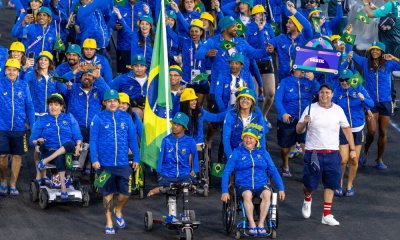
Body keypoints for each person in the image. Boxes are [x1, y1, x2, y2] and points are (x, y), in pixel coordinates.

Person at [195, 15, 272, 150]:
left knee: (240, 124)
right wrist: (207, 54)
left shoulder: (241, 42)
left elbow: (254, 53)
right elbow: (198, 53)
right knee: (218, 122)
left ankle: (236, 150)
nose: (236, 28)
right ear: (225, 28)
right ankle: (209, 139)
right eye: (234, 26)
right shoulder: (213, 42)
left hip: (242, 92)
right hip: (219, 92)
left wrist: (267, 51)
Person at [296, 82, 356, 226]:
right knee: (309, 184)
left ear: (332, 94)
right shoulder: (310, 109)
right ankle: (307, 197)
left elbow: (347, 130)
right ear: (318, 94)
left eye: (327, 92)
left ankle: (326, 215)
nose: (324, 95)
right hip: (313, 152)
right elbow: (298, 130)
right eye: (322, 92)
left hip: (332, 153)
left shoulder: (338, 110)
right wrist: (304, 122)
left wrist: (352, 149)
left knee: (330, 184)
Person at [90, 89, 140, 234]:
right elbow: (92, 140)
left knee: (127, 192)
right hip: (104, 164)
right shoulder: (98, 118)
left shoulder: (126, 117)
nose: (112, 103)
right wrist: (94, 159)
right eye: (109, 101)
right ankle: (109, 222)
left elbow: (132, 138)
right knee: (107, 194)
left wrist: (136, 157)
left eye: (115, 100)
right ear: (105, 102)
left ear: (119, 102)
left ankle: (118, 211)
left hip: (123, 163)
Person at [221, 125, 285, 236]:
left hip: (261, 184)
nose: (248, 140)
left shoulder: (263, 152)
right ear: (242, 139)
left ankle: (260, 224)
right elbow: (226, 172)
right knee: (247, 195)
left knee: (267, 194)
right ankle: (252, 224)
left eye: (251, 138)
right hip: (243, 185)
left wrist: (281, 188)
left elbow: (273, 170)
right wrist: (224, 191)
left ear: (256, 140)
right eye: (246, 137)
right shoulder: (237, 152)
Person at [348, 40, 400, 170]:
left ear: (382, 52)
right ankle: (365, 152)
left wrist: (394, 57)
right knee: (371, 131)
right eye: (372, 49)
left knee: (383, 132)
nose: (374, 52)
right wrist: (347, 37)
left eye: (377, 50)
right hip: (370, 102)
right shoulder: (366, 62)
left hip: (386, 102)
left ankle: (379, 159)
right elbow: (350, 53)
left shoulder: (389, 64)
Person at [332, 69, 374, 196]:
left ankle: (349, 185)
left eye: (347, 80)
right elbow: (331, 108)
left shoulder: (359, 88)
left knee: (354, 159)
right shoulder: (336, 92)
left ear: (352, 79)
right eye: (341, 80)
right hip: (343, 130)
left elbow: (371, 103)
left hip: (358, 129)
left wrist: (364, 101)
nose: (344, 82)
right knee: (343, 160)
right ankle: (339, 183)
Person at [32, 94, 83, 199]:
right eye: (50, 104)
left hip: (69, 152)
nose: (53, 107)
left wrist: (78, 144)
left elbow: (78, 135)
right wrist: (37, 140)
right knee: (60, 157)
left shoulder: (69, 118)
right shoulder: (42, 119)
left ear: (61, 106)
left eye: (56, 104)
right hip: (49, 151)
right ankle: (63, 188)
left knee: (70, 143)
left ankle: (45, 162)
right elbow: (32, 139)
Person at [63, 62, 110, 175]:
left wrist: (99, 78)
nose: (87, 77)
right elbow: (59, 81)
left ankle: (90, 164)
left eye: (90, 75)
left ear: (93, 78)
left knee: (98, 136)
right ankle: (80, 164)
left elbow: (109, 94)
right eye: (84, 75)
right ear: (80, 77)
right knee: (83, 133)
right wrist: (76, 70)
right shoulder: (73, 88)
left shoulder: (99, 90)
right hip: (76, 125)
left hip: (94, 125)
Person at [0, 59, 35, 196]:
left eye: (14, 70)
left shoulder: (23, 85)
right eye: (9, 69)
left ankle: (13, 184)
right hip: (2, 127)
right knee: (2, 155)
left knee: (17, 156)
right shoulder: (0, 84)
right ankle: (3, 180)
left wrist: (32, 125)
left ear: (18, 72)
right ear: (5, 70)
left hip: (19, 127)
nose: (11, 72)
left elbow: (29, 106)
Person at [274, 68, 318, 177]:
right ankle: (285, 166)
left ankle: (307, 172)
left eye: (305, 69)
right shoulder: (284, 82)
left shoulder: (309, 81)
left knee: (306, 148)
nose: (304, 71)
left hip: (304, 121)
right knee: (285, 150)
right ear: (293, 69)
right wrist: (283, 113)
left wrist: (313, 80)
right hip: (288, 121)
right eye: (301, 69)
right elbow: (278, 100)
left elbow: (320, 93)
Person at [147, 112, 199, 197]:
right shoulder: (166, 140)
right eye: (174, 123)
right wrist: (159, 170)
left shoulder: (190, 141)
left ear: (184, 128)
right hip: (167, 173)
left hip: (184, 173)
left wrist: (194, 170)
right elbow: (161, 156)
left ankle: (190, 185)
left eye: (178, 124)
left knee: (188, 188)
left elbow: (194, 155)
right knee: (161, 188)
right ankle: (156, 189)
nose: (175, 126)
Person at [363, 0, 400, 109]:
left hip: (387, 42)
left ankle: (391, 99)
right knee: (387, 68)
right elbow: (384, 13)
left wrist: (365, 3)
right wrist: (371, 5)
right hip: (394, 41)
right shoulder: (396, 5)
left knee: (386, 69)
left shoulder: (389, 5)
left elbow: (370, 14)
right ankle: (389, 98)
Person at [166, 16, 208, 107]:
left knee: (198, 106)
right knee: (186, 107)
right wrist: (166, 24)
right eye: (191, 31)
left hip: (201, 82)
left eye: (196, 31)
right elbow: (172, 34)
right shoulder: (184, 42)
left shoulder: (207, 45)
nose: (194, 33)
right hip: (187, 81)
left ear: (201, 32)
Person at [246, 5, 275, 127]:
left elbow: (271, 47)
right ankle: (255, 118)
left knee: (271, 93)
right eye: (258, 13)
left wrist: (271, 49)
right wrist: (260, 30)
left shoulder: (269, 27)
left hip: (267, 62)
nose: (261, 15)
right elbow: (248, 47)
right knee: (255, 94)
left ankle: (263, 115)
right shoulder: (247, 28)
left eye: (263, 13)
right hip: (254, 63)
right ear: (253, 16)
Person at [268, 1, 312, 82]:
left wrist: (293, 10)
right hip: (284, 82)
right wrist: (269, 47)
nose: (286, 25)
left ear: (296, 25)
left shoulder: (305, 39)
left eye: (290, 23)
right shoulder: (281, 38)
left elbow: (308, 26)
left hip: (302, 82)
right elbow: (267, 43)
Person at [223, 88, 267, 161]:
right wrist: (231, 157)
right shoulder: (230, 115)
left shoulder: (258, 115)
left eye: (248, 99)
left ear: (252, 102)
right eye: (242, 98)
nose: (245, 101)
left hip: (253, 152)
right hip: (234, 151)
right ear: (239, 100)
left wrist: (260, 155)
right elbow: (226, 138)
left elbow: (262, 136)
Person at [112, 0, 151, 75]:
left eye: (145, 24)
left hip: (140, 48)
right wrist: (115, 23)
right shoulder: (120, 5)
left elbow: (150, 23)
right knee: (126, 75)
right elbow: (122, 26)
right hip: (124, 48)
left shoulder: (144, 6)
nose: (144, 26)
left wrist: (148, 13)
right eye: (142, 24)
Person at [109, 54, 148, 121]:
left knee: (147, 112)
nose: (139, 68)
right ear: (132, 67)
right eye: (136, 66)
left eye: (142, 66)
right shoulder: (122, 78)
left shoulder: (153, 78)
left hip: (148, 105)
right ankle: (135, 131)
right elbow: (110, 91)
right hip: (130, 106)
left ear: (146, 67)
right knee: (137, 112)